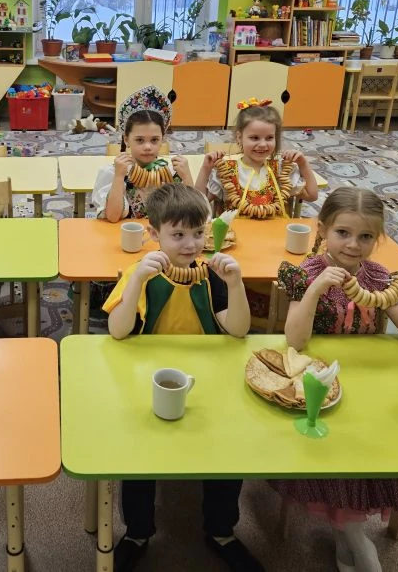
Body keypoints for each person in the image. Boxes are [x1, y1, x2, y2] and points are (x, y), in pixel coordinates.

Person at [274, 187, 398, 572]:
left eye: (365, 236)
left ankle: (350, 535)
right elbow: (295, 340)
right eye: (343, 233)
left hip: (367, 382)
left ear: (377, 239)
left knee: (386, 437)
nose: (353, 245)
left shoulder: (378, 279)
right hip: (320, 386)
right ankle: (354, 539)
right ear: (323, 229)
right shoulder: (305, 274)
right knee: (339, 443)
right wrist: (316, 288)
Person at [103, 184, 259, 572]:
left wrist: (236, 284)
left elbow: (238, 329)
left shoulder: (212, 276)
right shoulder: (140, 274)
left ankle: (221, 530)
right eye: (177, 235)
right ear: (154, 234)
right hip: (147, 379)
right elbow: (118, 331)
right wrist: (136, 281)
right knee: (138, 454)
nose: (190, 245)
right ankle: (137, 531)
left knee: (228, 448)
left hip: (208, 380)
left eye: (198, 233)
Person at [198, 98, 317, 218]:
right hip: (235, 229)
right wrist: (205, 168)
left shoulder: (281, 170)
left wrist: (303, 163)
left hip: (274, 229)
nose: (263, 144)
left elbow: (312, 195)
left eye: (269, 138)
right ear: (239, 137)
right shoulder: (226, 172)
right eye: (254, 138)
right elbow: (198, 203)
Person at [93, 85, 194, 222]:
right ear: (126, 139)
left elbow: (193, 214)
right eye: (140, 140)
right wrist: (118, 177)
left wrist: (187, 177)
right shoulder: (115, 171)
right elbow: (112, 216)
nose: (147, 147)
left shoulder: (172, 172)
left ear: (162, 139)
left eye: (154, 140)